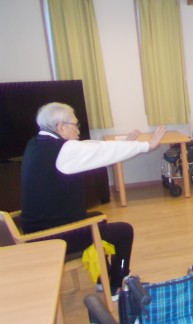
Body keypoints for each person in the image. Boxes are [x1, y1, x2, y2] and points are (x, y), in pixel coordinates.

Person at [21, 102, 166, 299]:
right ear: (60, 127)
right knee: (124, 231)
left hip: (35, 230)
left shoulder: (35, 143)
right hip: (55, 236)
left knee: (98, 218)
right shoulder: (64, 150)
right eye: (75, 125)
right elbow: (95, 151)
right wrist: (147, 146)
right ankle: (117, 285)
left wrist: (126, 144)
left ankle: (103, 277)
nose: (78, 130)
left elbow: (92, 148)